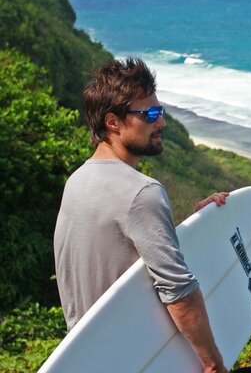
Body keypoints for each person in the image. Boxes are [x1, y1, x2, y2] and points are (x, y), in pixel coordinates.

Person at [54, 57, 228, 373]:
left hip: (86, 357)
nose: (160, 123)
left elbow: (118, 261)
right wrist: (213, 363)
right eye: (149, 114)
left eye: (159, 112)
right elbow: (179, 294)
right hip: (136, 359)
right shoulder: (141, 194)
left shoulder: (77, 181)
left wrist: (196, 228)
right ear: (113, 123)